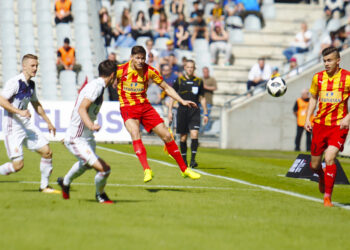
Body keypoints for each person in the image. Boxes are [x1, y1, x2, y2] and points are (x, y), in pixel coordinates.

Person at [115, 46, 201, 182]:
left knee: (167, 135)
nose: (140, 61)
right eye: (137, 58)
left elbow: (166, 88)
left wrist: (182, 101)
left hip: (145, 107)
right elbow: (106, 80)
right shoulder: (120, 70)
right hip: (128, 107)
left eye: (143, 58)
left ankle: (184, 170)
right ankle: (147, 170)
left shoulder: (149, 71)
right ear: (131, 57)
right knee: (135, 134)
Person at [57, 60, 117, 204]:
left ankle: (65, 182)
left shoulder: (98, 86)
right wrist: (90, 125)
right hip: (78, 138)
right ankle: (100, 195)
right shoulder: (95, 87)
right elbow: (82, 108)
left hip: (86, 137)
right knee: (104, 169)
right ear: (112, 75)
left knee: (86, 164)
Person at [0, 54, 59, 193]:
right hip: (12, 125)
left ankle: (44, 186)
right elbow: (2, 100)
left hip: (26, 124)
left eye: (37, 66)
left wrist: (49, 122)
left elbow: (36, 104)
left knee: (47, 151)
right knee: (18, 165)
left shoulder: (31, 84)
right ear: (24, 66)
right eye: (32, 65)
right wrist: (19, 112)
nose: (35, 68)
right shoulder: (15, 82)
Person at [305, 46, 350, 207]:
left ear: (338, 61)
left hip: (338, 126)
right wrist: (308, 118)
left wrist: (348, 117)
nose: (326, 63)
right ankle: (322, 177)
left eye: (329, 60)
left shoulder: (347, 78)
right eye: (324, 61)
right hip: (319, 126)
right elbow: (313, 98)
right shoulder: (318, 78)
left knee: (330, 157)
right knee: (314, 165)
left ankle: (327, 198)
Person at [168, 60, 208, 168]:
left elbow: (202, 98)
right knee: (183, 137)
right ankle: (184, 160)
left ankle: (193, 160)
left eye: (192, 67)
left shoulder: (199, 81)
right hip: (182, 111)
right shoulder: (179, 80)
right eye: (188, 67)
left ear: (194, 69)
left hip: (194, 111)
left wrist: (205, 113)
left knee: (194, 134)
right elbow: (172, 96)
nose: (190, 69)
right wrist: (170, 112)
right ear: (185, 68)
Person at [201, 66, 217, 133]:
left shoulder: (212, 79)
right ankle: (200, 131)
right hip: (200, 101)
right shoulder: (200, 79)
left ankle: (206, 131)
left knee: (207, 116)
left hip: (208, 101)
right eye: (204, 72)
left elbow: (215, 88)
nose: (205, 73)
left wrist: (206, 87)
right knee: (200, 117)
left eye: (206, 72)